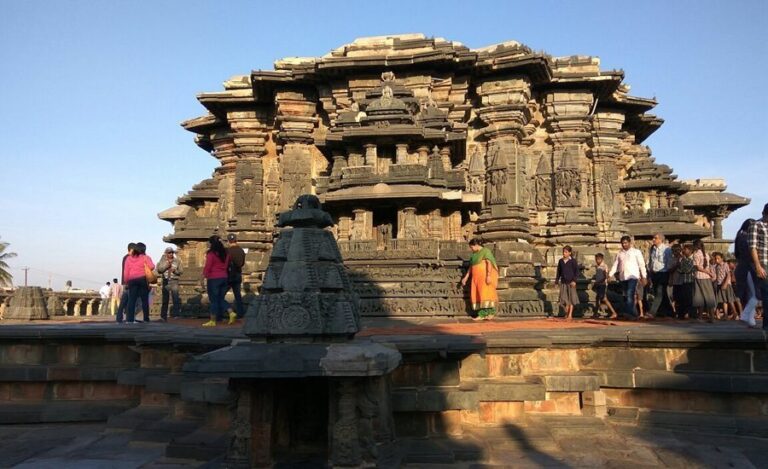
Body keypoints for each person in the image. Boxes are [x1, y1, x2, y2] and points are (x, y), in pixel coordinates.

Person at [608, 235, 647, 320]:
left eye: (626, 243)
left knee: (630, 294)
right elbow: (615, 265)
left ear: (630, 243)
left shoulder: (636, 252)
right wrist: (610, 274)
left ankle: (629, 313)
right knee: (626, 296)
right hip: (623, 277)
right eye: (622, 243)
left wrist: (644, 276)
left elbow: (641, 264)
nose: (624, 245)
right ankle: (634, 313)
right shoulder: (620, 253)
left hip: (633, 276)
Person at [461, 238, 499, 320]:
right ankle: (483, 314)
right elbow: (471, 268)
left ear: (476, 245)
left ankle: (488, 314)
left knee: (486, 294)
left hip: (484, 277)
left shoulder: (486, 251)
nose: (471, 249)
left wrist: (488, 275)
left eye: (471, 247)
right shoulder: (474, 255)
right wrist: (465, 278)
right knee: (477, 295)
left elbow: (489, 263)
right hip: (476, 278)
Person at [123, 242, 155, 323]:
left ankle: (130, 319)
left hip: (132, 281)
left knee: (131, 300)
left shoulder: (128, 258)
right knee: (144, 300)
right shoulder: (145, 257)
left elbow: (126, 272)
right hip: (142, 279)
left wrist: (126, 282)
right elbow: (152, 266)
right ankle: (146, 319)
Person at [202, 235, 230, 327]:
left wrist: (204, 276)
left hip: (214, 278)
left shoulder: (211, 254)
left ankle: (213, 320)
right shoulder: (226, 253)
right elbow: (226, 266)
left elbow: (208, 266)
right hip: (224, 277)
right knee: (220, 299)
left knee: (214, 300)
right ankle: (229, 312)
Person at [748, 203, 768, 330]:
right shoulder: (756, 225)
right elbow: (752, 247)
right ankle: (766, 326)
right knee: (767, 294)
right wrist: (758, 266)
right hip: (764, 263)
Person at [734, 219, 758, 327]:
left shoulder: (739, 237)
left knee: (750, 295)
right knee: (757, 294)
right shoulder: (746, 238)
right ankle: (746, 315)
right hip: (750, 268)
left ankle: (750, 319)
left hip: (742, 268)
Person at [647, 233, 673, 317]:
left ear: (661, 240)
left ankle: (652, 312)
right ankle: (668, 311)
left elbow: (669, 261)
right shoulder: (653, 249)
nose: (653, 239)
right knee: (662, 294)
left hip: (663, 272)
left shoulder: (666, 249)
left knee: (659, 292)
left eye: (656, 238)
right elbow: (652, 260)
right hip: (654, 273)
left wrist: (669, 273)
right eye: (653, 238)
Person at [691, 239, 717, 322]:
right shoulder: (706, 254)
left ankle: (701, 317)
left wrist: (709, 273)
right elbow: (707, 266)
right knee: (708, 297)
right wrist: (709, 273)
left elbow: (698, 267)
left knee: (700, 297)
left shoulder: (696, 254)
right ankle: (710, 317)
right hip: (706, 277)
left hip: (699, 276)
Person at [156, 247, 183, 321]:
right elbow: (159, 270)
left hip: (174, 280)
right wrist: (166, 266)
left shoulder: (177, 261)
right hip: (165, 280)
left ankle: (176, 315)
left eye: (172, 252)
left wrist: (175, 271)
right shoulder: (162, 260)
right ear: (166, 253)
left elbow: (181, 271)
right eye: (169, 253)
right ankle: (163, 316)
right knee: (165, 299)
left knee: (175, 298)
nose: (171, 254)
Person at [225, 233, 246, 324]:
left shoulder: (227, 251)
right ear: (236, 240)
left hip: (229, 275)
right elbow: (242, 264)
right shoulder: (241, 250)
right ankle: (240, 313)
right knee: (238, 296)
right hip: (238, 274)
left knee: (220, 295)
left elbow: (225, 263)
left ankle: (225, 311)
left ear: (228, 241)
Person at [671, 244, 696, 319]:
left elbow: (686, 270)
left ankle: (689, 313)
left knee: (689, 299)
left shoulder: (691, 260)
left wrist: (679, 268)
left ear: (690, 250)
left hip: (689, 281)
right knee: (682, 298)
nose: (683, 251)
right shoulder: (684, 259)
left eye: (685, 249)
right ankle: (682, 313)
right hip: (683, 281)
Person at [555, 246, 579, 320]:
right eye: (563, 252)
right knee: (563, 298)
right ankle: (566, 312)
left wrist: (574, 281)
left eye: (566, 252)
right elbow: (559, 272)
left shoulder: (573, 261)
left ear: (569, 253)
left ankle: (570, 315)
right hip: (563, 282)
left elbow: (576, 272)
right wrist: (556, 281)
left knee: (571, 298)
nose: (564, 253)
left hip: (571, 282)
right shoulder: (561, 261)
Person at [116, 243, 136, 323]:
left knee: (126, 301)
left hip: (127, 282)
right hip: (128, 282)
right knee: (126, 301)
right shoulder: (128, 258)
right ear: (131, 250)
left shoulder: (127, 257)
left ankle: (124, 318)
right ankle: (124, 318)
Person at [712, 252, 736, 320]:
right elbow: (717, 276)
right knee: (724, 300)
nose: (717, 260)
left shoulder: (725, 265)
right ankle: (725, 314)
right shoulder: (717, 266)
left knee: (730, 300)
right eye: (716, 259)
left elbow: (728, 275)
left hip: (726, 284)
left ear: (722, 259)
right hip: (720, 284)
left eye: (718, 259)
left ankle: (735, 313)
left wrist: (725, 284)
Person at [593, 253, 617, 319]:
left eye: (598, 259)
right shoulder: (598, 266)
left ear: (602, 259)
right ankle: (596, 313)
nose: (597, 261)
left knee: (604, 298)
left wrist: (601, 281)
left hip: (602, 285)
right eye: (596, 259)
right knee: (597, 298)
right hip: (598, 284)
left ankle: (613, 312)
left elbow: (605, 276)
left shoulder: (604, 266)